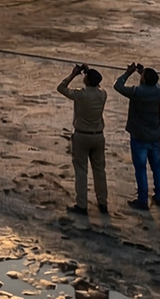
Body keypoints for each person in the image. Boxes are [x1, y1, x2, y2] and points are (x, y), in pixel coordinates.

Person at [58, 64, 110, 215]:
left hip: (82, 135)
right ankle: (102, 202)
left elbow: (61, 87)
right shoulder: (103, 94)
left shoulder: (81, 94)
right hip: (98, 135)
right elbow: (96, 84)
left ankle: (82, 204)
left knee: (81, 171)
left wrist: (74, 74)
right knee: (100, 171)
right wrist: (88, 72)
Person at [114, 63, 160, 209]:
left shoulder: (138, 92)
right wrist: (142, 73)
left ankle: (143, 199)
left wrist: (128, 72)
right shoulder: (159, 91)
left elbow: (118, 86)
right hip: (154, 133)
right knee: (156, 165)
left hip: (139, 134)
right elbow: (154, 84)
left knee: (141, 168)